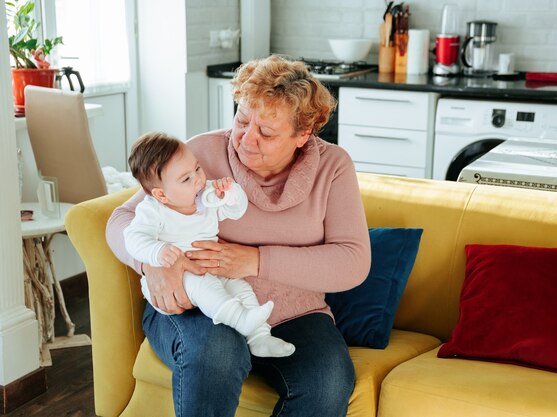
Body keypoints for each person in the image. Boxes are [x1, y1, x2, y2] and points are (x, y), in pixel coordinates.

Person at [106, 55, 371, 417]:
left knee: (327, 383)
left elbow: (352, 262)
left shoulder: (333, 167)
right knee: (218, 352)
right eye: (242, 120)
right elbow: (122, 218)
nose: (246, 139)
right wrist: (151, 264)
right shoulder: (200, 154)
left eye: (266, 132)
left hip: (295, 312)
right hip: (198, 305)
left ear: (302, 135)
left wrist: (253, 260)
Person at [124, 132, 295, 358]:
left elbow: (236, 212)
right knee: (204, 285)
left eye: (197, 168)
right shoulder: (153, 210)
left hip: (212, 270)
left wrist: (231, 195)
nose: (198, 179)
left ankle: (260, 338)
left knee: (240, 287)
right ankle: (239, 320)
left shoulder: (205, 195)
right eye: (186, 179)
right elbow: (133, 237)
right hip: (176, 281)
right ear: (162, 195)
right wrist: (157, 252)